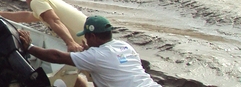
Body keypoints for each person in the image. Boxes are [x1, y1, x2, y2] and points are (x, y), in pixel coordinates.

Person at [19, 16, 161, 87]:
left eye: (86, 36)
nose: (85, 39)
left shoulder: (96, 56)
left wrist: (30, 47)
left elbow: (57, 56)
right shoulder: (124, 46)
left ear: (92, 36)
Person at [0, 0, 87, 52]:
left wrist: (70, 42)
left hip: (86, 42)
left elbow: (55, 20)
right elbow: (26, 17)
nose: (27, 1)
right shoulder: (50, 0)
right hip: (92, 36)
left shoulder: (37, 0)